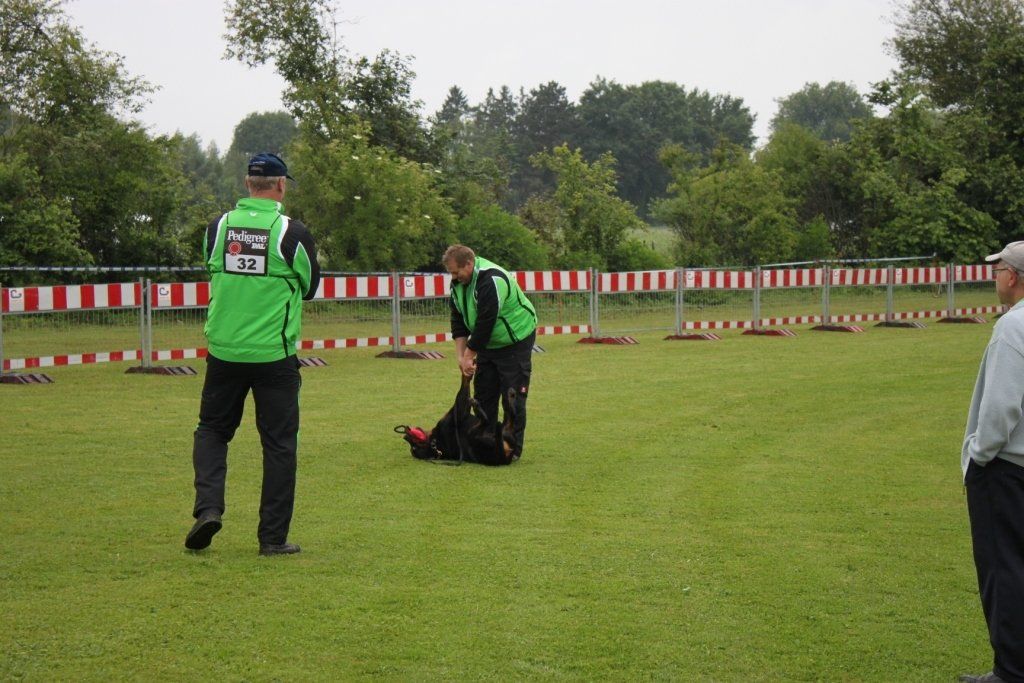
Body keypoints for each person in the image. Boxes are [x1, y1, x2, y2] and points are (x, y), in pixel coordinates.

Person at [184, 152, 320, 557]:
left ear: (247, 184)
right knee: (279, 445)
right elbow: (310, 287)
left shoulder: (217, 228)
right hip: (273, 355)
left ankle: (208, 509)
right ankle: (272, 539)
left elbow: (213, 269)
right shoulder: (291, 232)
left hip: (224, 352)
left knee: (212, 431)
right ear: (281, 185)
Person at [960, 241, 1024, 683]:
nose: (995, 277)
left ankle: (1010, 671)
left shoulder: (1012, 328)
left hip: (1006, 469)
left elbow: (1001, 408)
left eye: (998, 269)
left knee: (1004, 570)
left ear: (1013, 276)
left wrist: (979, 453)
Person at [443, 245, 537, 459]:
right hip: (487, 343)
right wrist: (461, 358)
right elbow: (458, 321)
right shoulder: (457, 285)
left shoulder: (491, 280)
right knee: (483, 394)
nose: (454, 277)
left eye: (456, 272)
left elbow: (486, 321)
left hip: (515, 339)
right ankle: (486, 443)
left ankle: (511, 450)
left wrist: (470, 355)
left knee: (512, 396)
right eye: (451, 273)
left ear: (469, 263)